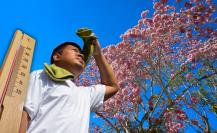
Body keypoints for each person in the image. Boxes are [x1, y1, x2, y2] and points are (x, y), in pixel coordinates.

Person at [19, 39, 118, 133]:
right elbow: (26, 113)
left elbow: (112, 86)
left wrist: (98, 54)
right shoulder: (42, 75)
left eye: (83, 55)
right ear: (57, 57)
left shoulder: (86, 94)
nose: (81, 55)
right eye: (75, 51)